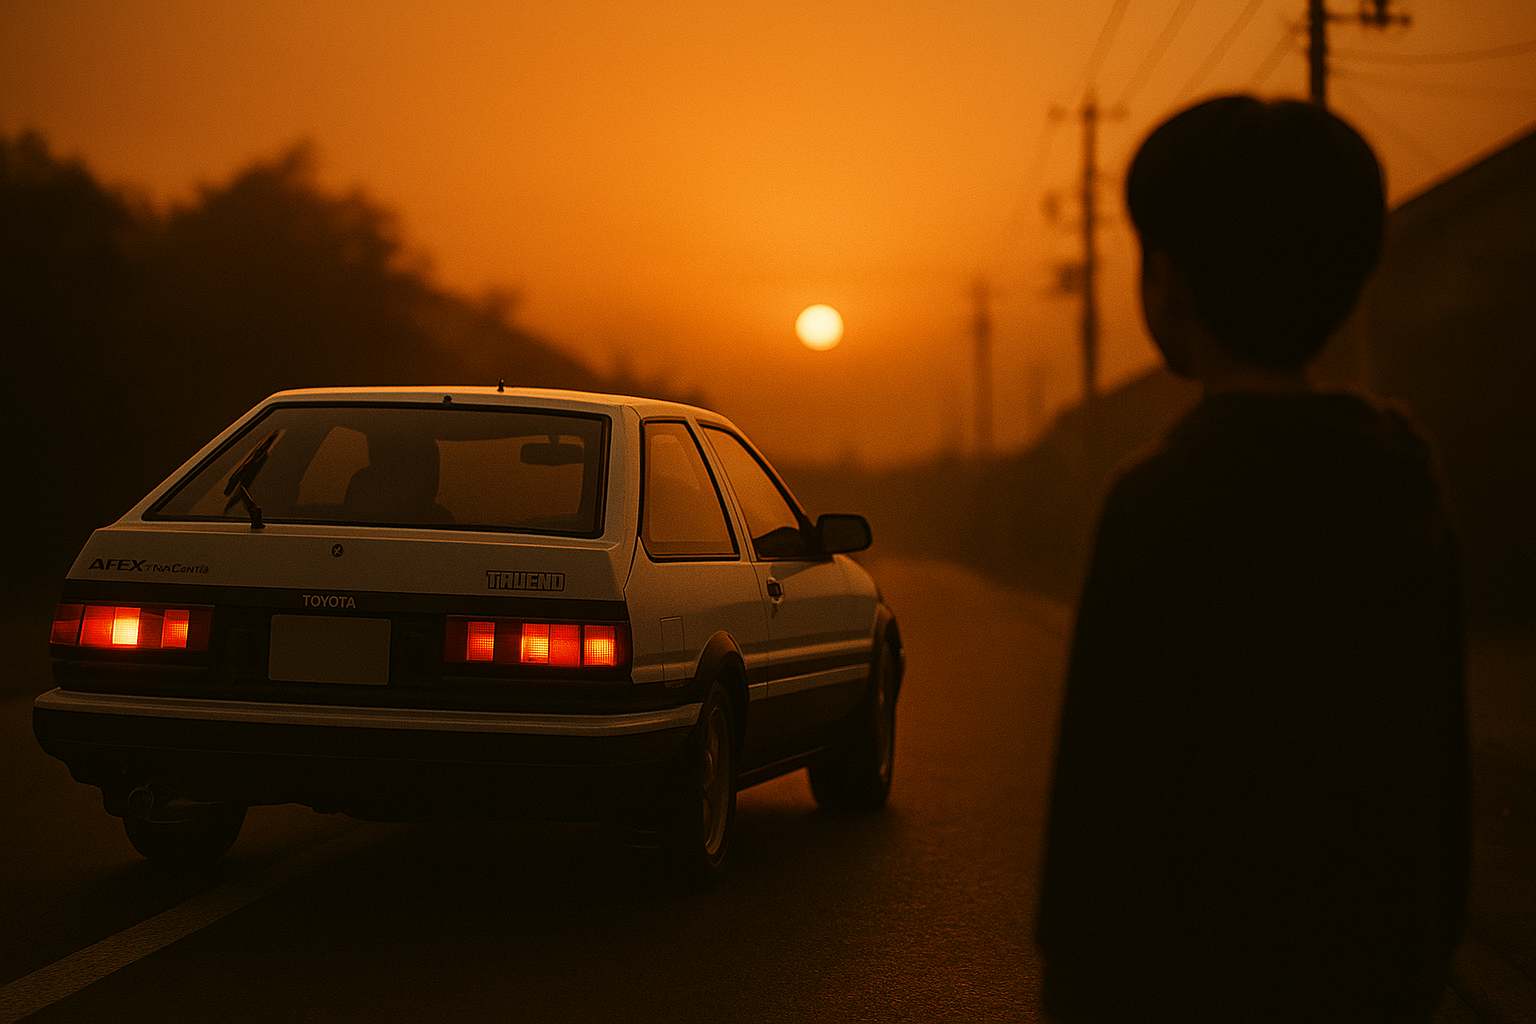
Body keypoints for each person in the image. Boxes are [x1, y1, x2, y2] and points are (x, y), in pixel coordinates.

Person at [1035, 96, 1470, 1024]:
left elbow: (1104, 810)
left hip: (1194, 984)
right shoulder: (1403, 488)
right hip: (1374, 974)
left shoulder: (1159, 500)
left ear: (1167, 286)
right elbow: (1440, 780)